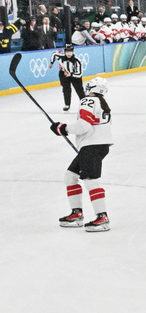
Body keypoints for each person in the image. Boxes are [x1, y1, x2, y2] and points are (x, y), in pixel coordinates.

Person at [50, 77, 113, 232]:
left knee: (91, 181)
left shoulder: (88, 101)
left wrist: (63, 128)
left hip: (91, 147)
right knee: (70, 176)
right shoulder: (103, 104)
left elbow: (83, 126)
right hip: (98, 146)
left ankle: (102, 217)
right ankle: (76, 213)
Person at [49, 43, 86, 111]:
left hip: (75, 75)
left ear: (73, 52)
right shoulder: (61, 56)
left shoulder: (77, 60)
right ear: (64, 51)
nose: (69, 53)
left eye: (70, 52)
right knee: (66, 89)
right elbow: (54, 54)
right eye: (67, 52)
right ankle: (67, 104)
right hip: (64, 73)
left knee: (79, 90)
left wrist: (71, 74)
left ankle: (84, 103)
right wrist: (51, 62)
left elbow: (79, 73)